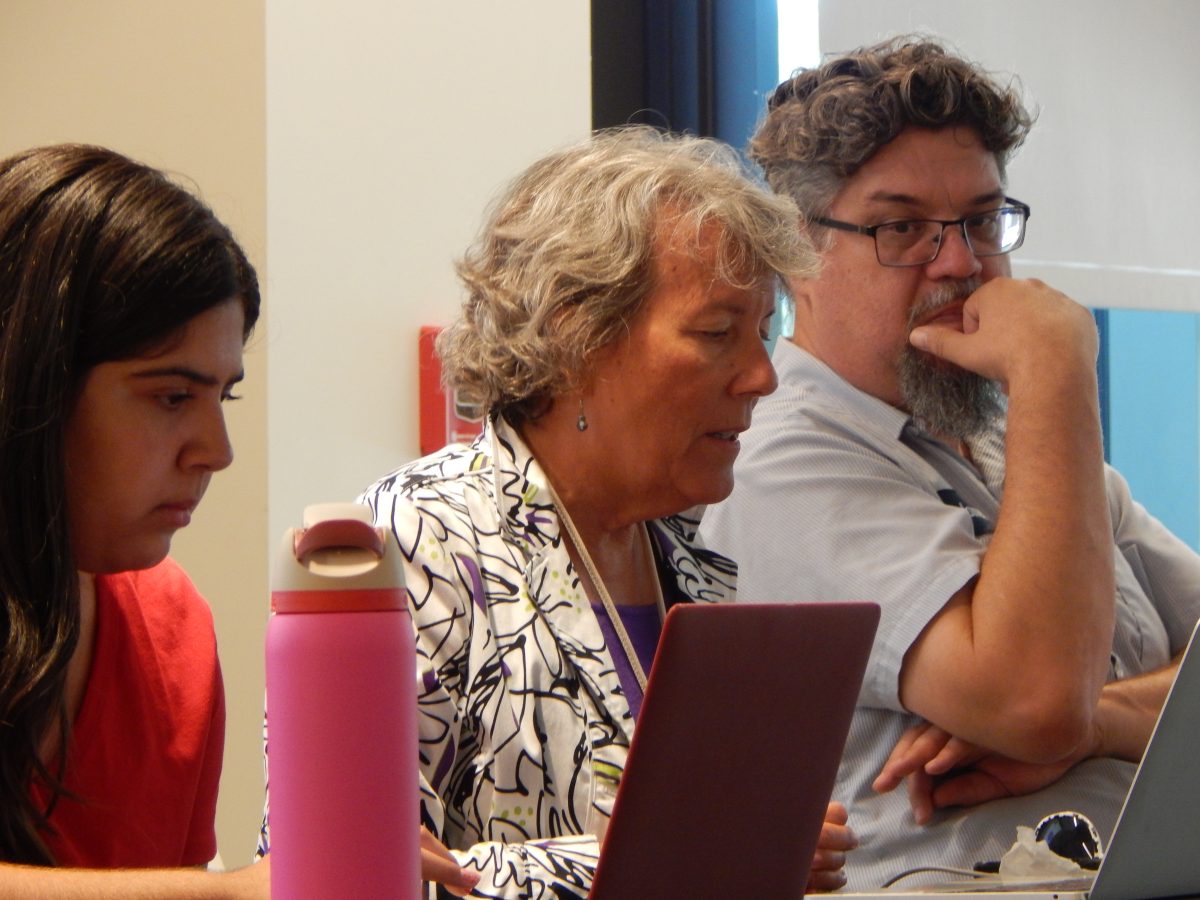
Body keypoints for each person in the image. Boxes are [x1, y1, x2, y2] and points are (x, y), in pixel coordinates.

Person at [256, 126, 857, 897]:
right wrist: (685, 855)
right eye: (717, 334)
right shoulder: (421, 538)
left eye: (763, 333)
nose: (762, 376)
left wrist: (774, 844)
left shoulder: (688, 556)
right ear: (578, 335)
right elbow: (337, 874)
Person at [699, 36, 1200, 890]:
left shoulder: (1021, 455)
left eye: (979, 220)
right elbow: (1032, 703)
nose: (962, 263)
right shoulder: (777, 462)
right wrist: (1053, 368)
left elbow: (1062, 720)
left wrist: (1104, 721)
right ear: (798, 253)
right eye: (903, 228)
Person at [0, 144, 268, 898]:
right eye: (172, 397)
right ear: (30, 384)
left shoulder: (173, 629)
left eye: (225, 397)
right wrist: (240, 892)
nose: (215, 452)